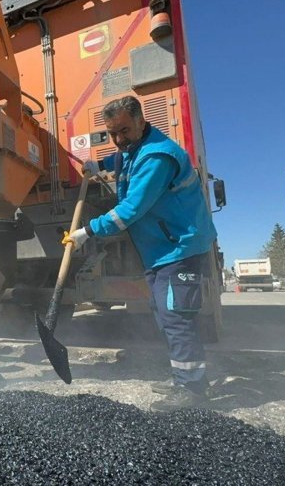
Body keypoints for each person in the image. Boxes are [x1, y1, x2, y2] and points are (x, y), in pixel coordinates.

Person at [63, 95, 217, 412]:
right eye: (112, 133)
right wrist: (98, 165)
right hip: (161, 250)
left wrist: (87, 231)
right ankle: (183, 378)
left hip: (181, 247)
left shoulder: (158, 157)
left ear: (141, 122)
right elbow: (121, 160)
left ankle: (193, 390)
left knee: (176, 316)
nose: (119, 139)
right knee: (164, 313)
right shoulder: (134, 150)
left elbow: (129, 211)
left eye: (123, 130)